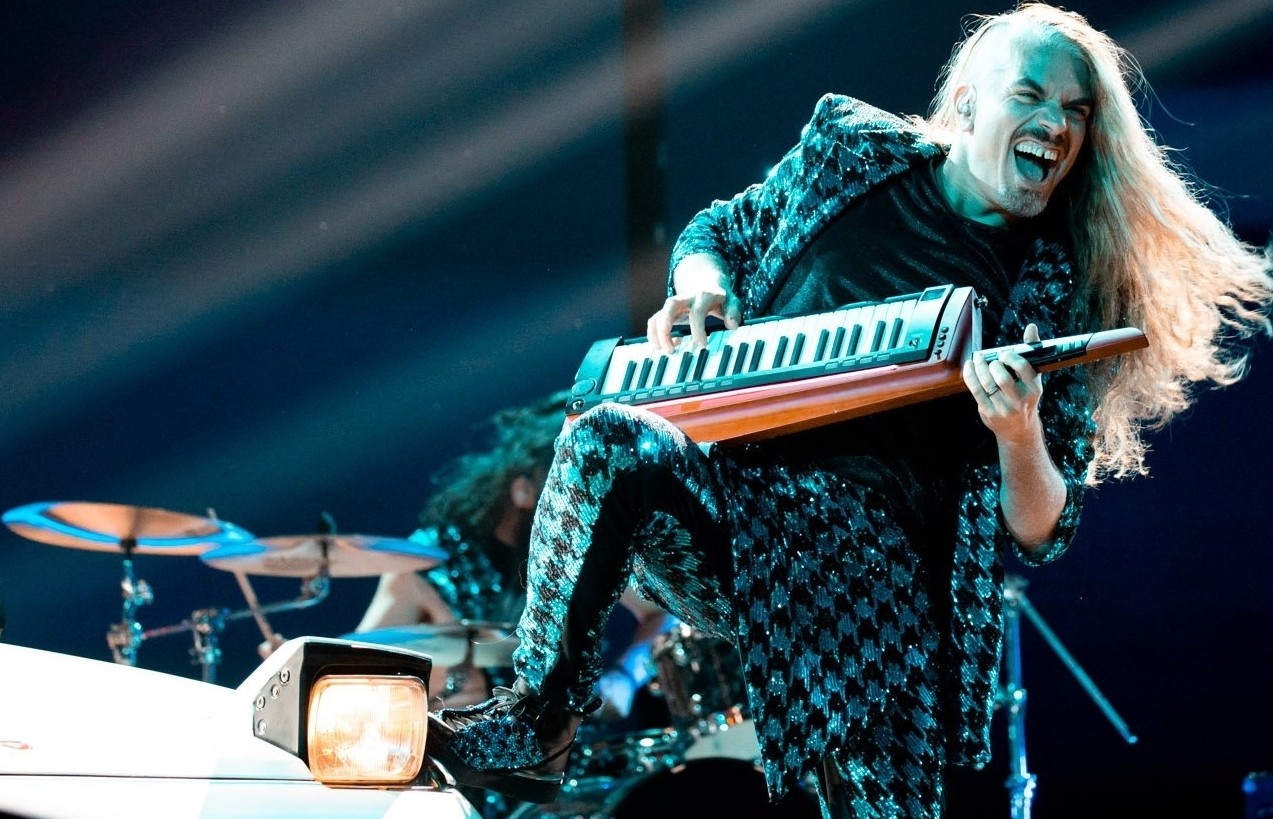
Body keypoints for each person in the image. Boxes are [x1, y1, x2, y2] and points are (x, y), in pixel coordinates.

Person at [424, 4, 1273, 818]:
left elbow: (1041, 529)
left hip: (878, 598)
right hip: (740, 517)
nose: (1055, 124)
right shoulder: (850, 153)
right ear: (970, 100)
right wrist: (702, 287)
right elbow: (720, 229)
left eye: (1075, 112)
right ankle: (538, 719)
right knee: (606, 436)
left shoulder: (1055, 289)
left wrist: (1016, 431)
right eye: (1030, 95)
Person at [356, 391, 672, 818]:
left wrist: (624, 676)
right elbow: (356, 674)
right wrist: (430, 698)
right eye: (562, 488)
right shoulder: (422, 568)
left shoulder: (572, 551)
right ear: (524, 489)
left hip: (559, 773)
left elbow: (662, 608)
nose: (575, 506)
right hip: (457, 782)